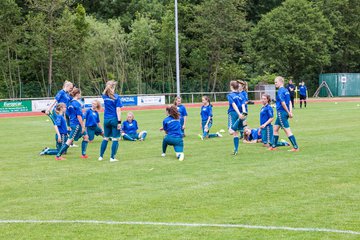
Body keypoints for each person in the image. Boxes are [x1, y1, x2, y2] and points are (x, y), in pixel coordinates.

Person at [55, 87, 89, 160]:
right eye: (80, 94)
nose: (80, 95)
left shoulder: (70, 103)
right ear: (77, 94)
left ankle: (83, 154)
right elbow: (79, 116)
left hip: (74, 124)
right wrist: (83, 126)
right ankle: (58, 155)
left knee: (86, 137)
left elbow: (68, 114)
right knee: (69, 141)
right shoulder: (77, 104)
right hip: (77, 125)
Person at [269, 76, 299, 152]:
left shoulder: (280, 91)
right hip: (284, 113)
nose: (275, 83)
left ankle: (295, 147)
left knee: (287, 131)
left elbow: (283, 103)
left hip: (281, 113)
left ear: (281, 82)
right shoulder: (286, 90)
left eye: (276, 82)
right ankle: (273, 146)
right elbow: (289, 102)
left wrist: (289, 112)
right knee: (275, 129)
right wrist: (290, 112)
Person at [98, 80, 123, 162]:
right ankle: (112, 157)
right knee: (115, 139)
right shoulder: (116, 97)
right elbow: (118, 110)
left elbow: (105, 91)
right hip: (114, 119)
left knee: (105, 138)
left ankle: (101, 156)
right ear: (114, 87)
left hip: (106, 120)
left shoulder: (104, 96)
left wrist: (108, 86)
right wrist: (119, 122)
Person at [227, 80, 247, 155]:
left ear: (231, 86)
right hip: (241, 113)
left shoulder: (230, 95)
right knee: (236, 133)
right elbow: (243, 105)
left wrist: (239, 115)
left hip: (233, 113)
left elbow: (233, 105)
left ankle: (236, 150)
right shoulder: (241, 95)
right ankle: (236, 150)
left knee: (231, 131)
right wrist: (243, 113)